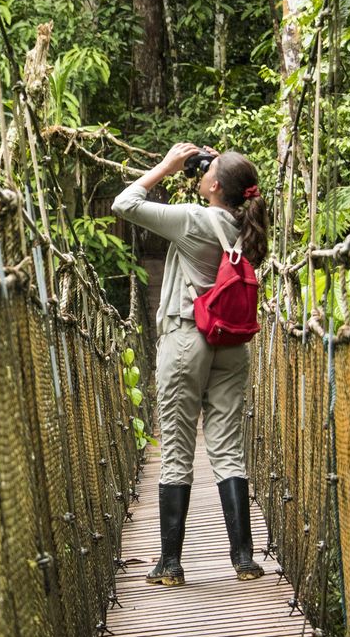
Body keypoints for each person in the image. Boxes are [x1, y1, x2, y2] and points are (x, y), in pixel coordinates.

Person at [111, 142, 270, 587]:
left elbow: (125, 203)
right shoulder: (247, 223)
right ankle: (243, 559)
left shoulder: (195, 219)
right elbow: (227, 194)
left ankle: (170, 564)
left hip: (187, 338)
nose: (199, 172)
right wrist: (223, 168)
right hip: (232, 343)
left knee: (178, 449)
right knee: (228, 448)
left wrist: (167, 164)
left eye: (208, 171)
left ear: (216, 185)